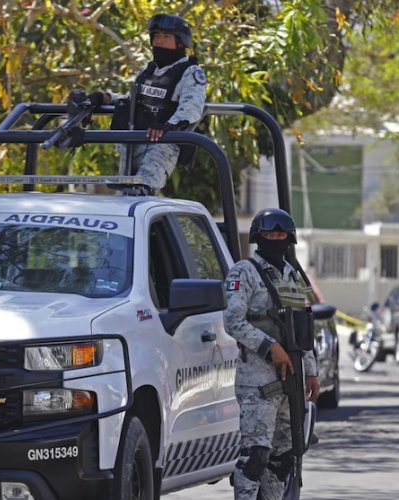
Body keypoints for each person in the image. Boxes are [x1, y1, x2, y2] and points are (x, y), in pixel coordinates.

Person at [223, 208, 320, 500]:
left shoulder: (294, 276)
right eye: (269, 235)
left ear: (289, 238)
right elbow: (233, 322)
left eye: (280, 235)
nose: (275, 239)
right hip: (258, 383)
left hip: (291, 381)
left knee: (284, 457)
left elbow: (303, 331)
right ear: (258, 237)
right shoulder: (244, 272)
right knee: (256, 457)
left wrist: (312, 371)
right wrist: (270, 348)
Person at [87, 13, 207, 192]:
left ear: (180, 42)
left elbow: (192, 108)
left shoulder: (190, 73)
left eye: (166, 37)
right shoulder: (147, 71)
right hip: (132, 143)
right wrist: (105, 98)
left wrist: (168, 126)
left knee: (141, 194)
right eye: (156, 36)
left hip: (161, 147)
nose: (159, 41)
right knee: (124, 201)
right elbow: (133, 101)